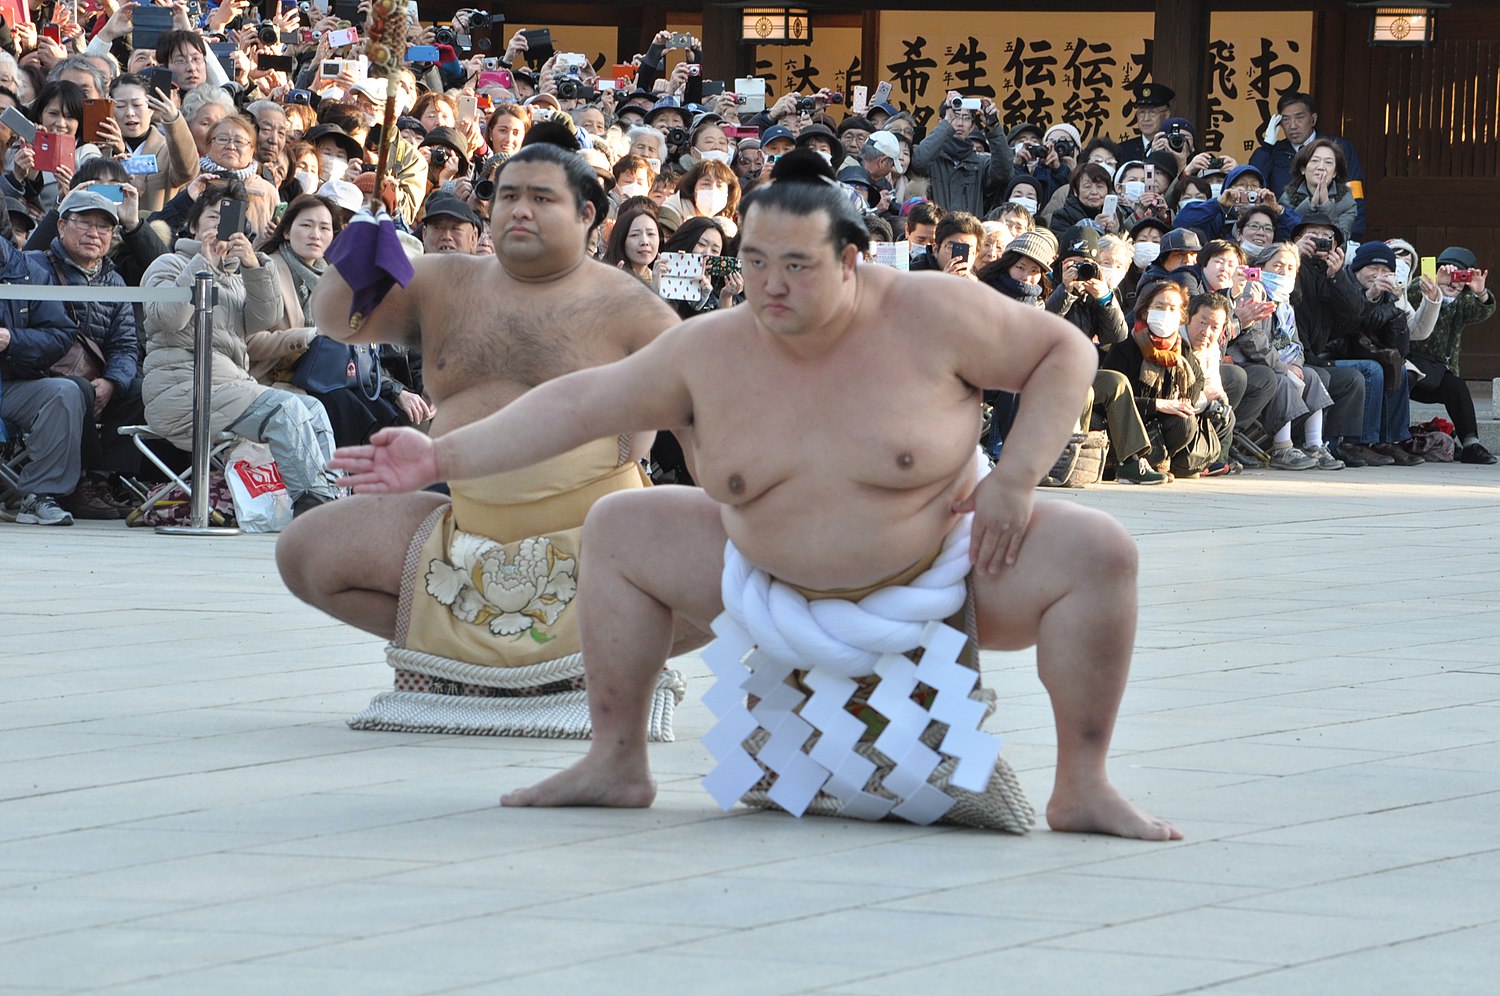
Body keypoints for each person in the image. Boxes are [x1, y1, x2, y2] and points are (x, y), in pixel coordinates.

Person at [330, 149, 1180, 840]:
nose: (772, 285)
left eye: (798, 266)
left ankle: (1084, 784)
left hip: (947, 570)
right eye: (755, 263)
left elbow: (1065, 353)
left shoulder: (933, 311)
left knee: (1098, 549)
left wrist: (1018, 478)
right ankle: (616, 760)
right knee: (625, 523)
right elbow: (578, 403)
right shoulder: (712, 348)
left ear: (851, 259)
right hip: (761, 575)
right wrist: (438, 454)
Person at [278, 142, 681, 701]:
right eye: (508, 195)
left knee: (732, 566)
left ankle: (597, 651)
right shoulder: (445, 281)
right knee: (306, 553)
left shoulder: (634, 308)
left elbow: (701, 416)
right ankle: (467, 661)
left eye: (542, 198)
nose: (520, 209)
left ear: (587, 215)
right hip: (468, 528)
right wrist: (357, 258)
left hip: (597, 539)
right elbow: (339, 321)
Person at [141, 181, 340, 513]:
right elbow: (169, 319)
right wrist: (202, 265)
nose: (221, 227)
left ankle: (332, 499)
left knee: (313, 409)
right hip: (180, 390)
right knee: (285, 409)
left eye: (229, 221)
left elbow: (265, 317)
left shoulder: (236, 278)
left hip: (229, 387)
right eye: (213, 218)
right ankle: (314, 507)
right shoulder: (168, 265)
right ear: (192, 225)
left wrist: (252, 267)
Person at [1408, 246, 1495, 464]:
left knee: (1457, 386)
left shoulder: (1463, 301)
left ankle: (1471, 444)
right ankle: (1395, 438)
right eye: (1449, 274)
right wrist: (1436, 285)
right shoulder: (1421, 289)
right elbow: (1409, 294)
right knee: (1403, 380)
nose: (1452, 281)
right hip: (1411, 367)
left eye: (1460, 276)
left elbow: (1481, 311)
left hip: (1440, 374)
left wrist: (1480, 292)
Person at [1249, 91, 1367, 237]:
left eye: (1299, 118)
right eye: (1286, 120)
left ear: (1313, 119)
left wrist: (1354, 237)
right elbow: (1251, 182)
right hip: (1285, 234)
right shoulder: (1273, 152)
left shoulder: (1339, 148)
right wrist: (1267, 145)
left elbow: (1355, 195)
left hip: (1331, 233)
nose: (1292, 125)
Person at [911, 90, 1011, 217]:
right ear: (941, 122)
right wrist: (947, 123)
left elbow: (1005, 172)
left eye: (966, 118)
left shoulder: (979, 163)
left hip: (971, 234)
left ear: (972, 126)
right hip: (936, 233)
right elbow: (918, 162)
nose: (960, 123)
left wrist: (994, 127)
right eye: (955, 116)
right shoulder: (932, 159)